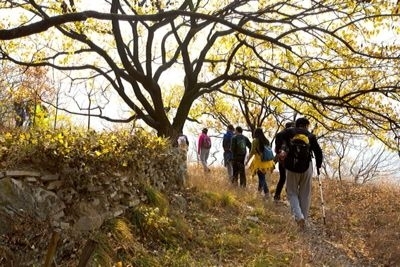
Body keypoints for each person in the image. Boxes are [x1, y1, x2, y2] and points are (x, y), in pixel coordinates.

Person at [275, 117, 323, 230]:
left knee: (292, 192)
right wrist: (319, 165)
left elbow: (278, 137)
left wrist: (279, 151)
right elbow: (318, 151)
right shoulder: (310, 136)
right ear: (306, 125)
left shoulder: (289, 132)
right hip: (307, 167)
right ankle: (303, 220)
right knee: (305, 194)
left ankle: (298, 216)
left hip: (291, 166)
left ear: (297, 124)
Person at [246, 128, 275, 198]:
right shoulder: (266, 140)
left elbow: (252, 152)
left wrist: (247, 161)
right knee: (262, 177)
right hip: (267, 162)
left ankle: (262, 193)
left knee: (261, 177)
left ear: (255, 133)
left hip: (259, 162)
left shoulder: (255, 141)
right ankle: (264, 192)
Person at [273, 121, 295, 202]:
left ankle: (277, 196)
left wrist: (277, 157)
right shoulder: (292, 137)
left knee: (282, 178)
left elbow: (276, 149)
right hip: (289, 161)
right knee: (289, 179)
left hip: (281, 160)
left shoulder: (279, 135)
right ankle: (289, 197)